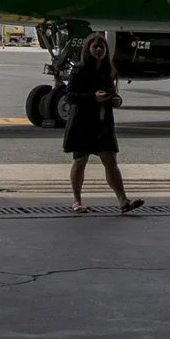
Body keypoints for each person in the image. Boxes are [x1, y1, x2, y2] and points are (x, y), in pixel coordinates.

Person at [62, 32, 144, 213]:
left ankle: (123, 200)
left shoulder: (109, 72)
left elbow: (111, 94)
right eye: (95, 47)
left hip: (103, 124)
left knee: (111, 163)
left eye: (102, 47)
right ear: (88, 50)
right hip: (83, 124)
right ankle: (76, 201)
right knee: (80, 161)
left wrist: (115, 100)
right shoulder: (79, 70)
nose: (98, 50)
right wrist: (93, 98)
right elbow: (69, 96)